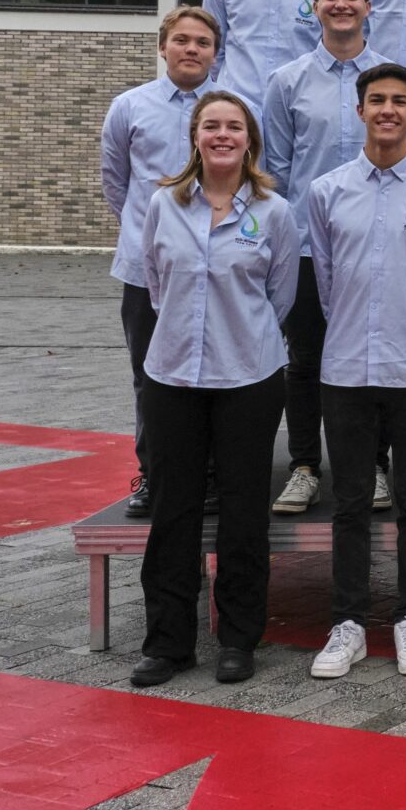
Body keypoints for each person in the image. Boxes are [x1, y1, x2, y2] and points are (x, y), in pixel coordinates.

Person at [128, 90, 298, 689]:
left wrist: (235, 334)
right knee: (172, 510)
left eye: (234, 126)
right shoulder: (163, 205)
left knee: (244, 512)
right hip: (173, 375)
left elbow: (280, 297)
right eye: (211, 126)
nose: (222, 135)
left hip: (248, 377)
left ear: (250, 140)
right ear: (195, 138)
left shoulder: (274, 212)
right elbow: (157, 286)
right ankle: (168, 643)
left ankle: (238, 638)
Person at [304, 63, 406, 681]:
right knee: (350, 501)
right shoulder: (327, 191)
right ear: (360, 110)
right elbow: (326, 283)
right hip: (346, 366)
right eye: (377, 100)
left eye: (400, 101)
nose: (388, 110)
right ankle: (347, 622)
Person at [258, 0, 384, 516]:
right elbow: (277, 170)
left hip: (376, 245)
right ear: (314, 7)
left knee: (370, 361)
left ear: (368, 7)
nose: (341, 4)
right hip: (308, 246)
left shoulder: (391, 77)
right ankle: (305, 466)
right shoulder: (286, 81)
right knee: (304, 362)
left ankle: (373, 465)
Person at [102, 6, 222, 518]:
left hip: (217, 268)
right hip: (146, 269)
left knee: (214, 373)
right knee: (150, 376)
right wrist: (149, 235)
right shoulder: (129, 107)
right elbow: (116, 183)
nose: (191, 49)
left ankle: (210, 476)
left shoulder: (233, 108)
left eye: (203, 42)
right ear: (162, 46)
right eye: (182, 40)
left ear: (216, 53)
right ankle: (155, 474)